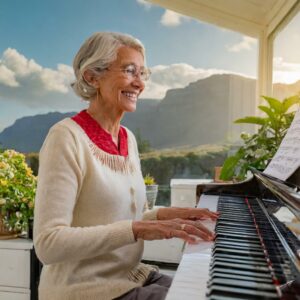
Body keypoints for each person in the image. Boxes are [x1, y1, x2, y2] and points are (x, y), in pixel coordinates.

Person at [33, 31, 218, 300]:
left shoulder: (127, 139)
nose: (139, 83)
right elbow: (48, 244)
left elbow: (125, 216)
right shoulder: (65, 137)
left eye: (143, 73)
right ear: (92, 76)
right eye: (130, 71)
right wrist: (139, 229)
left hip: (130, 275)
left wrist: (166, 215)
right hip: (82, 289)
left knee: (207, 291)